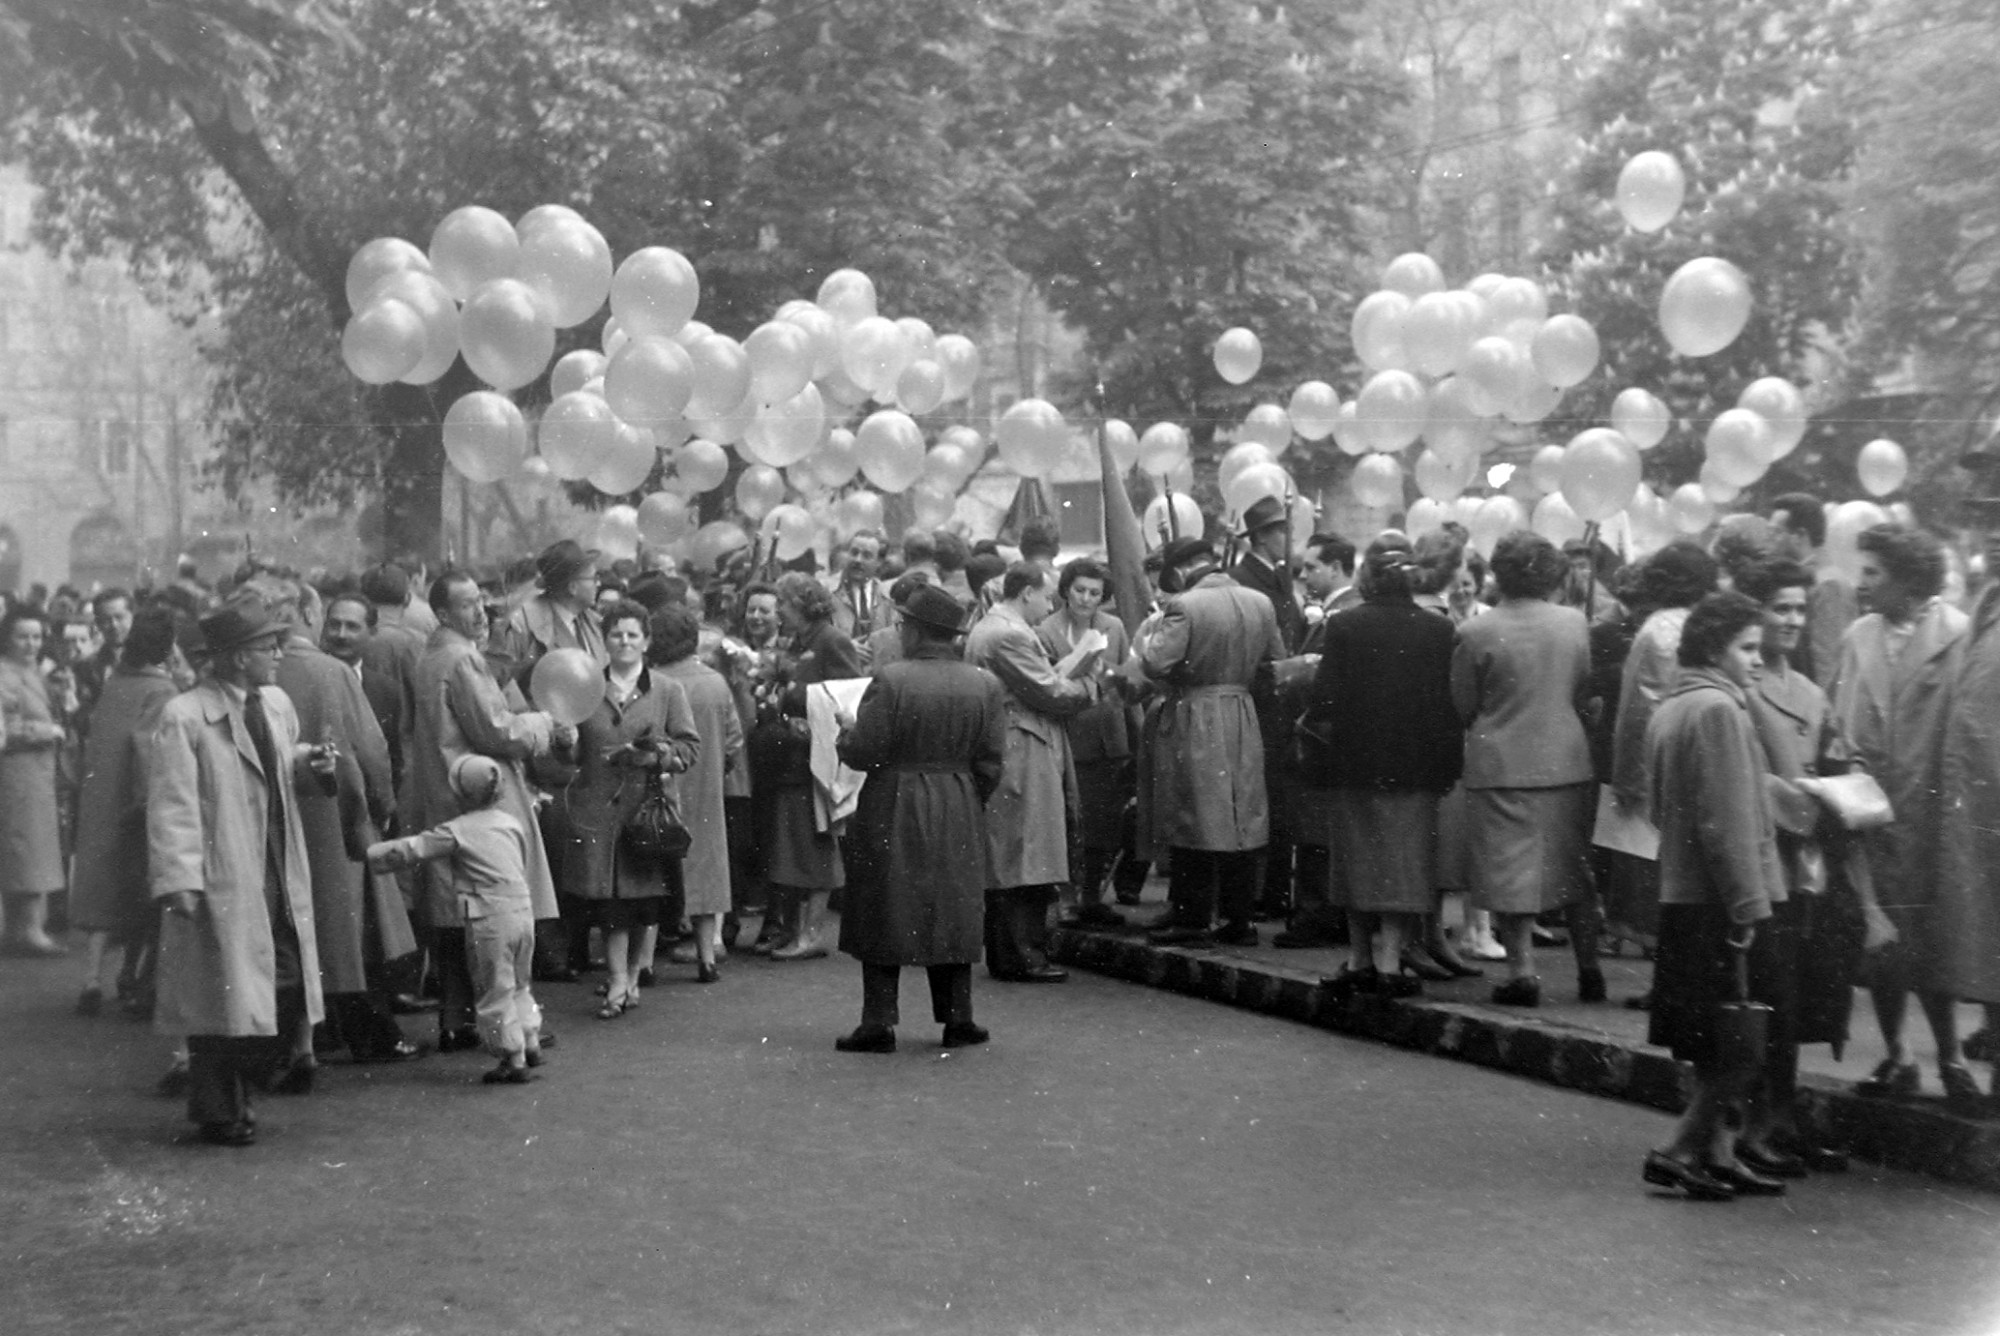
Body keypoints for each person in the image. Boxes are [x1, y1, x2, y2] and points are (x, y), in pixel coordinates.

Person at [148, 603, 338, 1146]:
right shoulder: (185, 716)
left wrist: (309, 764)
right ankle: (219, 1110)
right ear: (234, 658)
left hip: (273, 861)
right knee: (222, 993)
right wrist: (179, 880)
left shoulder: (274, 704)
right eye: (267, 647)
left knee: (275, 979)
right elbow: (172, 806)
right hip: (223, 872)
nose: (279, 654)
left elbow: (278, 761)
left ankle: (242, 1094)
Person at [1641, 591, 1788, 1201]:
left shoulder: (1671, 708)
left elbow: (1658, 808)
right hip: (1726, 900)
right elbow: (1726, 822)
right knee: (1744, 1043)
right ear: (1713, 649)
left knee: (1713, 1037)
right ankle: (1679, 1148)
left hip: (1682, 892)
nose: (1758, 659)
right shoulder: (1720, 711)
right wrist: (1748, 905)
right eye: (1747, 648)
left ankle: (1718, 1152)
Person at [1829, 524, 1977, 1106]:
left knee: (1932, 939)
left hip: (1933, 814)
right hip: (1872, 810)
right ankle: (1898, 1055)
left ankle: (1953, 1057)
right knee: (1880, 940)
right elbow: (1841, 719)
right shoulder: (1858, 635)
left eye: (1873, 573)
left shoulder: (1958, 634)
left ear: (1910, 579)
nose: (1861, 584)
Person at [250, 577, 418, 1070]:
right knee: (352, 935)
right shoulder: (332, 673)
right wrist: (378, 808)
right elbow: (369, 751)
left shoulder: (259, 673)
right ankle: (365, 1034)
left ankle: (307, 1036)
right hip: (333, 817)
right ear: (310, 614)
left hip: (276, 819)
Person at [832, 584, 1008, 1051]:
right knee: (953, 906)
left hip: (894, 797)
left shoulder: (891, 679)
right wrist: (967, 795)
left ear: (914, 630)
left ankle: (878, 1023)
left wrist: (845, 736)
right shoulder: (985, 684)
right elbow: (991, 762)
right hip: (958, 799)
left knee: (882, 904)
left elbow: (864, 751)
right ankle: (958, 1018)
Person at [408, 572, 572, 1052]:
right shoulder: (461, 658)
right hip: (481, 792)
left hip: (444, 792)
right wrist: (542, 724)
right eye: (467, 605)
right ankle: (514, 1027)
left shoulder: (433, 655)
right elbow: (497, 730)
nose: (480, 612)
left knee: (458, 914)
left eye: (481, 601)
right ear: (442, 614)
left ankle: (456, 1019)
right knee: (501, 912)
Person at [1735, 558, 1862, 1171]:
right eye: (1779, 608)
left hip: (1811, 867)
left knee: (1802, 995)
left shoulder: (1811, 691)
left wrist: (1847, 781)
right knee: (1768, 994)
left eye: (1798, 610)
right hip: (1768, 863)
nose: (1790, 620)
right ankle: (1755, 1124)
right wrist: (1803, 798)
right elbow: (1743, 779)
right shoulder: (1743, 688)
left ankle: (1783, 1119)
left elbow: (1839, 754)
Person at [1306, 535, 1464, 1000]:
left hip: (1354, 763)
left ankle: (1359, 958)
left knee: (1355, 862)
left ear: (1367, 578)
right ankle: (1392, 961)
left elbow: (1324, 700)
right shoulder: (1438, 629)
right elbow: (1446, 707)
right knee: (1402, 865)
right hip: (1416, 767)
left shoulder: (1344, 625)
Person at [1452, 530, 1600, 1007]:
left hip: (1501, 763)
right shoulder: (1574, 624)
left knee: (1508, 874)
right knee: (1575, 870)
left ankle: (1523, 972)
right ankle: (1589, 967)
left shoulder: (1475, 631)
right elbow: (1582, 685)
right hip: (1566, 758)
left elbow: (1463, 703)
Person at [543, 600, 699, 1017]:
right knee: (611, 907)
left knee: (643, 904)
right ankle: (616, 981)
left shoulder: (667, 690)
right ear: (604, 641)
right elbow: (570, 759)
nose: (624, 642)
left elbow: (689, 749)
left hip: (646, 812)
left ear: (647, 641)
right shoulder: (585, 686)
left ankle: (631, 977)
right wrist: (564, 742)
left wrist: (655, 757)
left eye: (632, 635)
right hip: (596, 813)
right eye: (616, 634)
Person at [1139, 537, 1284, 947]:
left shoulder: (1185, 606)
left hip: (1197, 711)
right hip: (1242, 710)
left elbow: (1155, 662)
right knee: (1241, 816)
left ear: (1182, 570)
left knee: (1193, 813)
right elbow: (1275, 659)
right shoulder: (1260, 602)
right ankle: (1239, 918)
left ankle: (1192, 917)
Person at [368, 756, 545, 1086]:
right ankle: (530, 1040)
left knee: (493, 989)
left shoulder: (458, 831)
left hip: (488, 918)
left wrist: (371, 853)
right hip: (522, 913)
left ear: (461, 794)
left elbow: (414, 848)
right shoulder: (511, 822)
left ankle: (512, 1057)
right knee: (520, 983)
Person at [967, 561, 1096, 981]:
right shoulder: (1009, 634)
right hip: (1022, 745)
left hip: (1015, 741)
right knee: (1026, 853)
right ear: (1025, 592)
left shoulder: (997, 627)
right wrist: (1089, 683)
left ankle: (1014, 952)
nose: (1049, 604)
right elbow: (1050, 691)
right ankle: (1024, 954)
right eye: (1046, 596)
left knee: (1014, 852)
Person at [1606, 541, 1719, 979]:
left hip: (1659, 764)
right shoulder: (1707, 624)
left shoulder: (1654, 630)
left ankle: (1667, 977)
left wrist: (1626, 780)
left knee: (1659, 877)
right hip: (1703, 759)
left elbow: (1636, 712)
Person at [70, 605, 184, 1015]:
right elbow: (147, 751)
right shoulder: (163, 691)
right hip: (135, 804)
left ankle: (92, 977)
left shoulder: (116, 682)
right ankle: (134, 977)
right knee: (145, 894)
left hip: (100, 798)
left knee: (103, 891)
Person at [759, 571, 864, 960]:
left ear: (802, 604)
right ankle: (798, 931)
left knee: (815, 847)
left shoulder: (831, 641)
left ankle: (812, 933)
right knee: (793, 847)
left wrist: (794, 696)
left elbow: (850, 696)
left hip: (816, 762)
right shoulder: (798, 641)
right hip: (793, 759)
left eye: (783, 605)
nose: (778, 613)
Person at [1036, 558, 1138, 927]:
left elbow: (1128, 681)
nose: (1086, 599)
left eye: (1095, 593)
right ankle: (1065, 897)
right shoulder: (1045, 629)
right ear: (1065, 590)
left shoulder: (1113, 626)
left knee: (1102, 822)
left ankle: (1092, 895)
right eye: (1079, 590)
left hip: (1107, 736)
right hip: (1067, 734)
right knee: (1066, 821)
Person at [649, 604, 743, 981]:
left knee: (652, 874)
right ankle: (707, 957)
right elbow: (734, 740)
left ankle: (642, 963)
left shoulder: (652, 683)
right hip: (706, 789)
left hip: (659, 792)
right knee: (707, 869)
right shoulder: (716, 683)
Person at [0, 605, 68, 955]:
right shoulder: (6, 676)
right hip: (19, 771)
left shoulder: (31, 671)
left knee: (27, 848)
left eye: (36, 636)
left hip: (34, 772)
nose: (31, 644)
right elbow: (6, 729)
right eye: (22, 636)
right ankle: (29, 930)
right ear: (7, 638)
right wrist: (47, 730)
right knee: (26, 850)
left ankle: (21, 929)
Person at [1769, 492, 1859, 687]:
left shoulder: (1828, 584)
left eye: (1776, 533)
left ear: (1800, 536)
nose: (1769, 542)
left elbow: (1827, 664)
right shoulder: (1809, 576)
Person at [499, 539, 607, 669]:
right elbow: (504, 680)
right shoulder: (522, 624)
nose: (598, 584)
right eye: (593, 578)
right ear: (572, 587)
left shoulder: (592, 622)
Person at [826, 529, 892, 642]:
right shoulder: (826, 591)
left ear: (879, 562)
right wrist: (844, 647)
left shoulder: (887, 597)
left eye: (866, 555)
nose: (858, 560)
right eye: (854, 552)